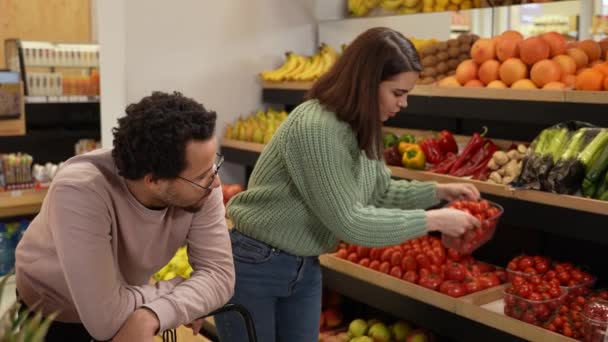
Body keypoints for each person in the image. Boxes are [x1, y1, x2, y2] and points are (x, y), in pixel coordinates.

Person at [215, 27, 481, 342]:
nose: (405, 103)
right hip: (256, 265)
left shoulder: (362, 127)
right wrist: (434, 220)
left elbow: (379, 192)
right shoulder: (316, 127)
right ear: (367, 85)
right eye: (398, 93)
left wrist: (437, 191)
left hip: (305, 267)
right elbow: (349, 222)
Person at [15, 91, 235, 342]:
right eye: (201, 177)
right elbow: (105, 320)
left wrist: (152, 314)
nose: (217, 183)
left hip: (127, 305)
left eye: (214, 167)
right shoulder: (79, 190)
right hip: (50, 312)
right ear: (153, 180)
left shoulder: (200, 185)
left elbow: (220, 275)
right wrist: (179, 291)